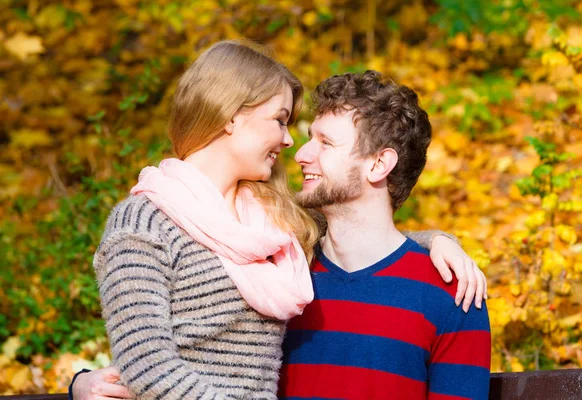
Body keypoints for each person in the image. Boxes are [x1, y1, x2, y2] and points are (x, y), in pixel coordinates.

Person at [71, 41, 487, 400]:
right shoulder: (277, 254)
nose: (296, 148)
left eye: (323, 142)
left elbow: (373, 251)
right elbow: (156, 355)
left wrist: (437, 241)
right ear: (230, 115)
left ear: (380, 163)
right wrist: (81, 384)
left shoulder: (278, 236)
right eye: (284, 123)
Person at [278, 71, 491, 399]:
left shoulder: (453, 292)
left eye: (325, 143)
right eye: (310, 138)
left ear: (379, 164)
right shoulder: (282, 275)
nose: (302, 154)